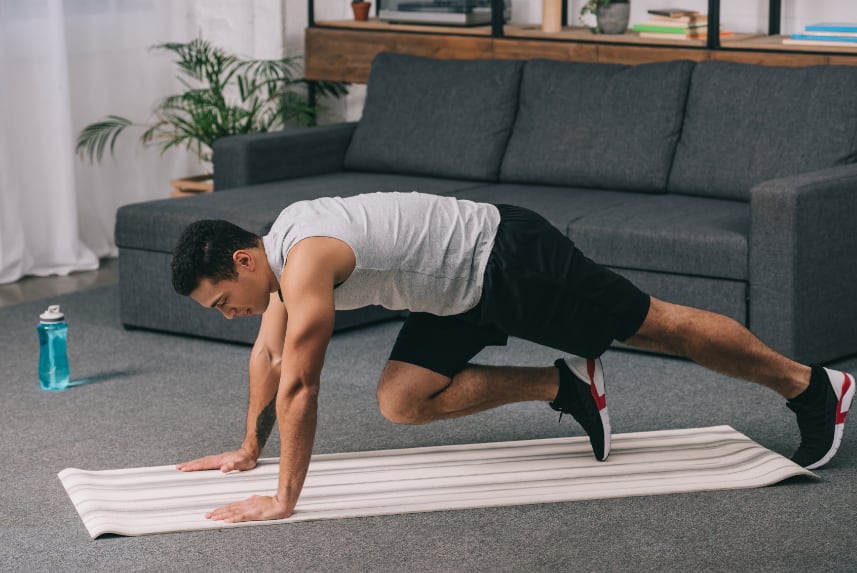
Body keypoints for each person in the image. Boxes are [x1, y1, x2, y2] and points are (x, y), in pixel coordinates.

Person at [170, 191, 853, 524]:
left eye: (222, 299)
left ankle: (811, 385)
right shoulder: (280, 254)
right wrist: (246, 447)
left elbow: (299, 384)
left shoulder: (309, 254)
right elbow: (266, 353)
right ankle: (566, 384)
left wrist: (284, 498)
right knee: (400, 399)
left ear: (243, 259)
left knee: (654, 325)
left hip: (507, 258)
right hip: (452, 294)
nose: (228, 313)